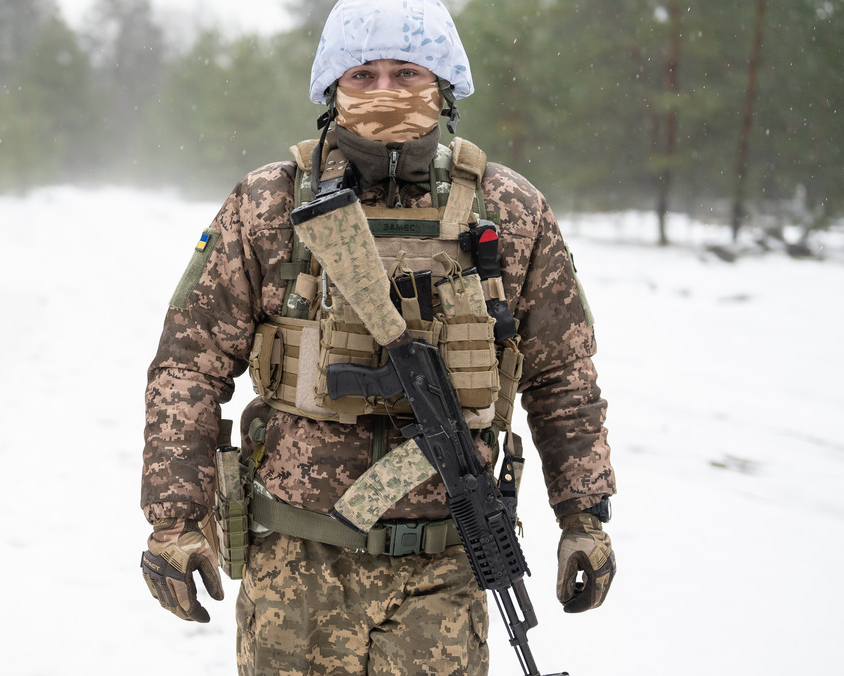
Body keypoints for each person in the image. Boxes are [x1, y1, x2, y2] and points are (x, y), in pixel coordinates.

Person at [139, 1, 617, 673]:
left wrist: (584, 517)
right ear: (332, 90)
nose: (386, 92)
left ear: (443, 83)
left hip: (447, 569)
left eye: (406, 72)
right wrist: (175, 520)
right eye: (363, 75)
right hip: (293, 570)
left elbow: (563, 378)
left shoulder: (509, 209)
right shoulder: (268, 205)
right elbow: (187, 367)